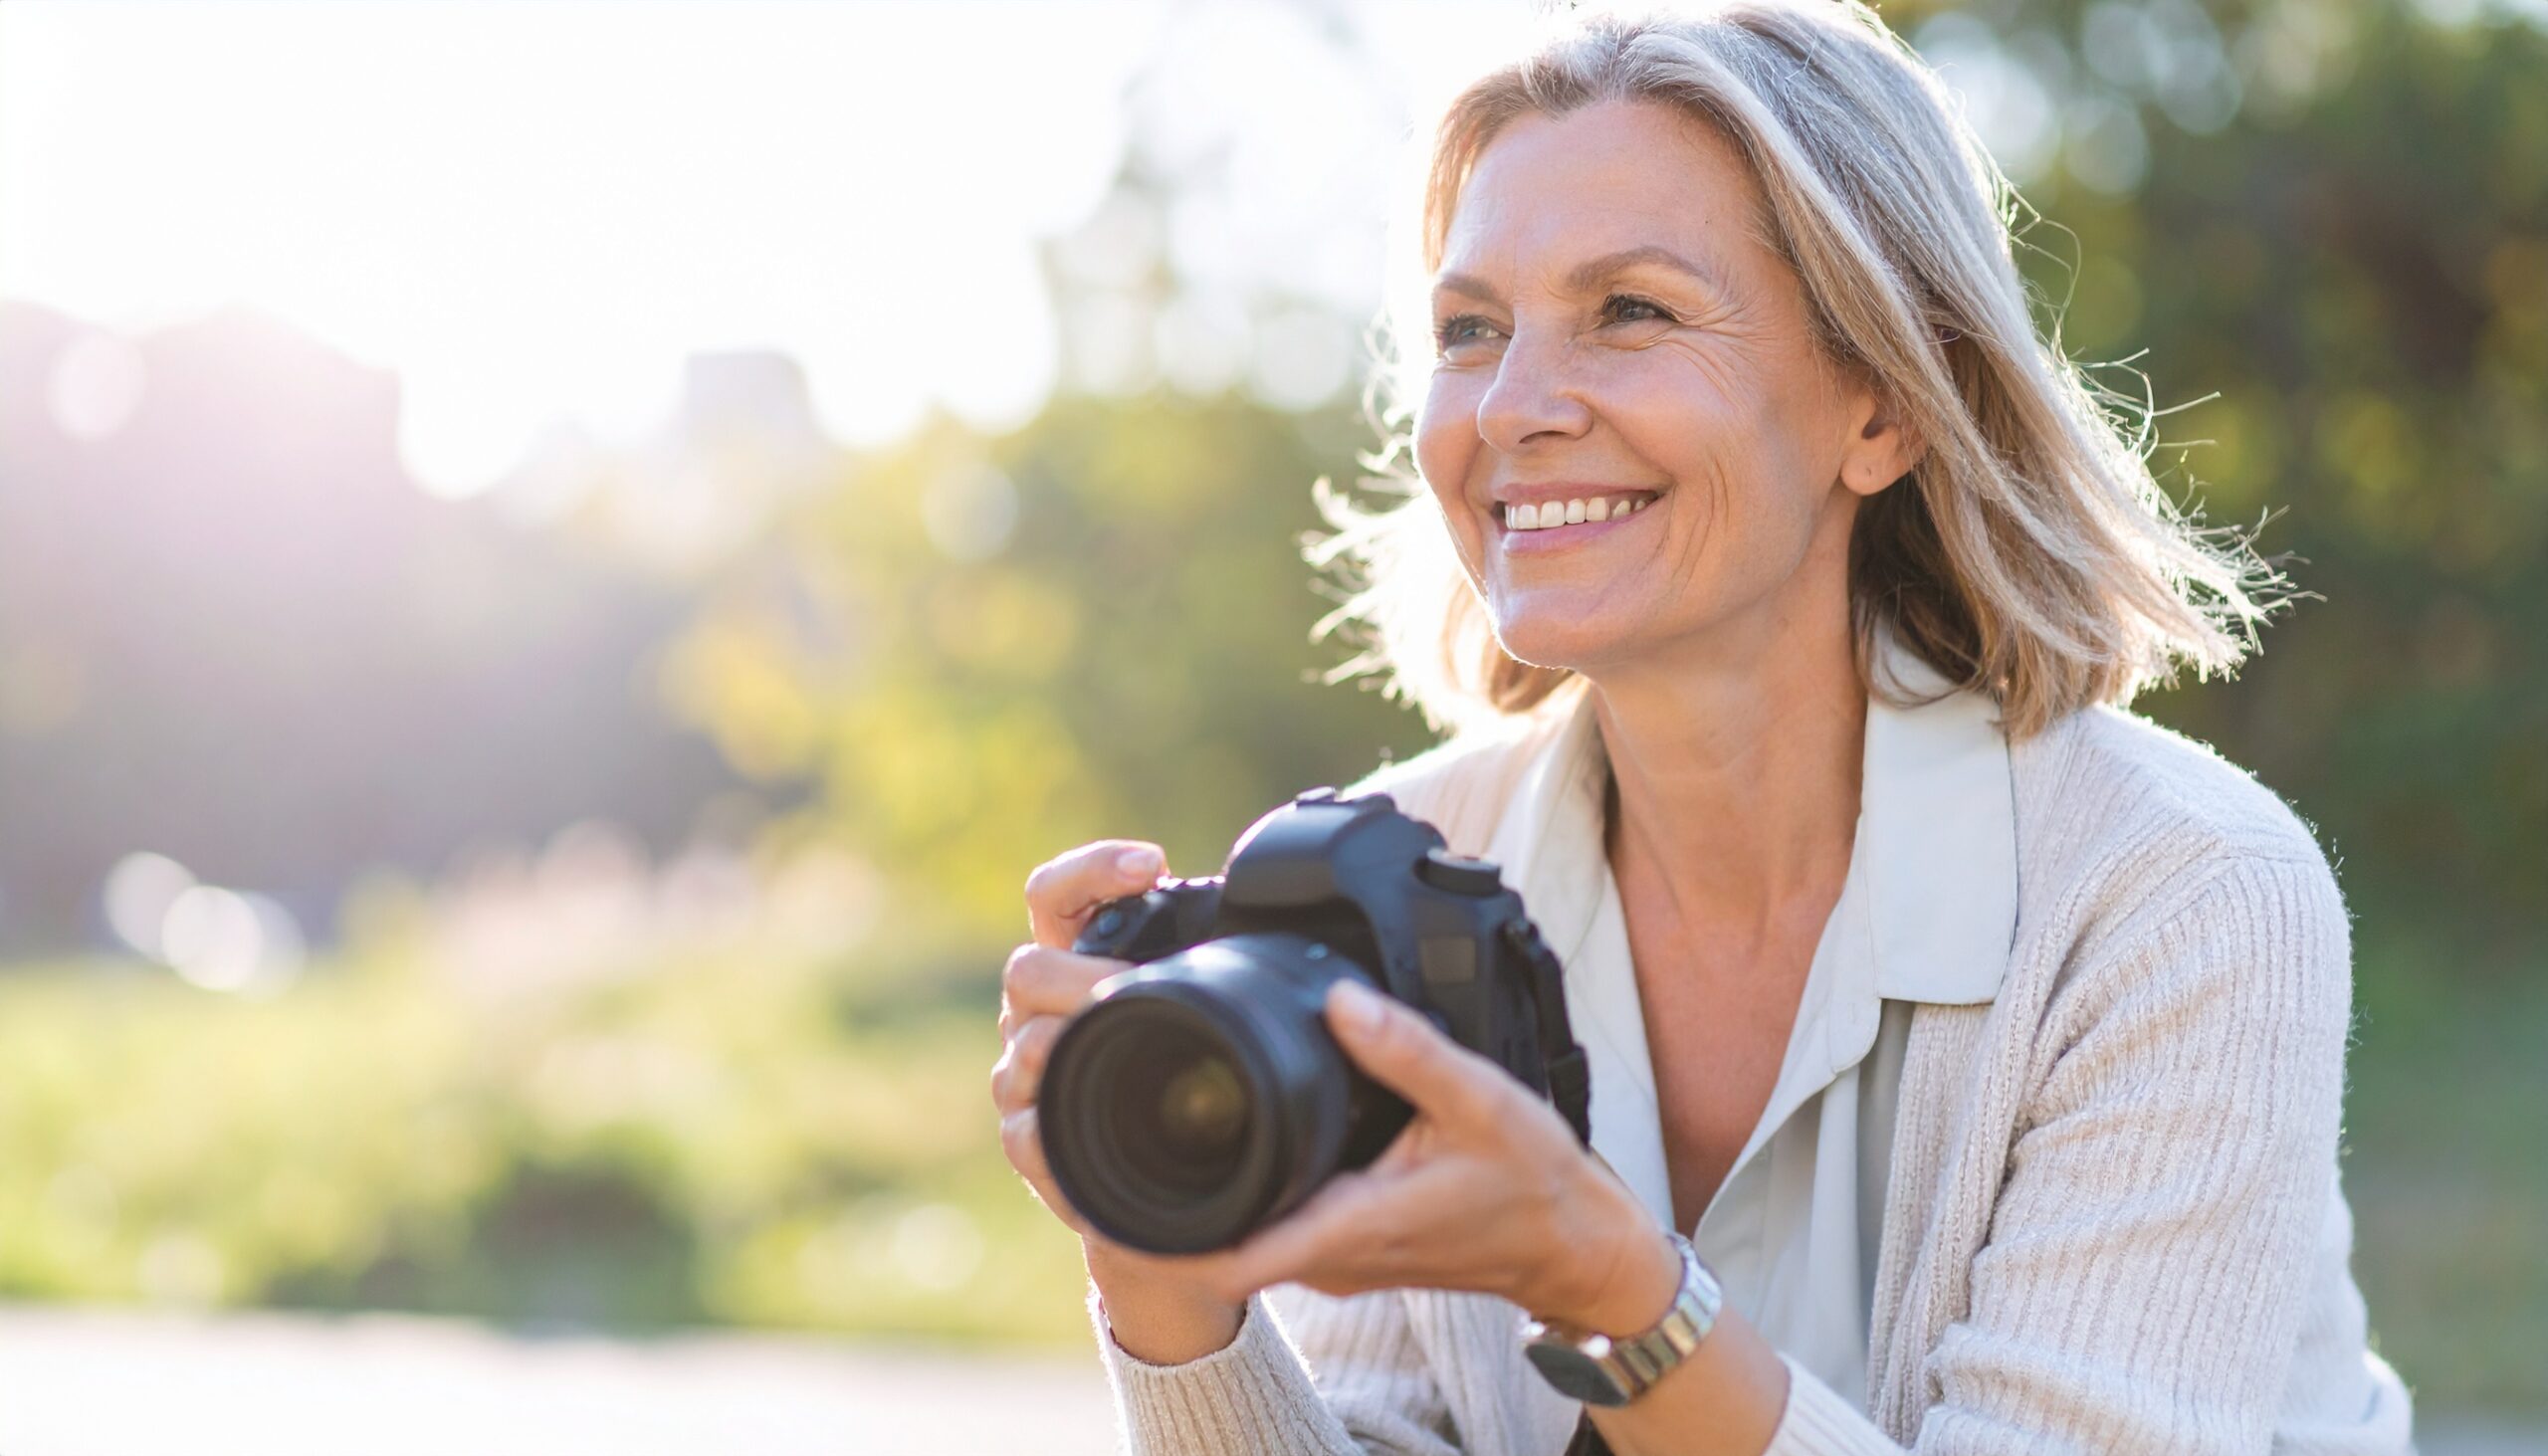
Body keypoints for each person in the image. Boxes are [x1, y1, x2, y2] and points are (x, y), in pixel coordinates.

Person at [990, 2, 2416, 1451]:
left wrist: (1613, 1291)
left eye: (1631, 312)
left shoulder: (2181, 897)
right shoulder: (1388, 867)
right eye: (1470, 329)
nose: (1515, 407)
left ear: (1883, 408)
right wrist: (1162, 1259)